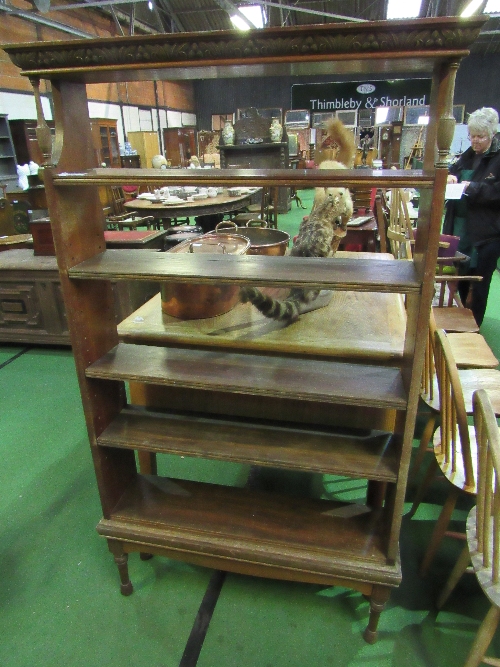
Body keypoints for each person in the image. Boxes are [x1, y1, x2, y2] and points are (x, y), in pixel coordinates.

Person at [443, 106, 500, 325]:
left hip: (487, 233)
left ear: (492, 134)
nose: (474, 141)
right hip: (462, 228)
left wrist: (473, 188)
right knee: (461, 276)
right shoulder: (468, 155)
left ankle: (474, 326)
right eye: (472, 136)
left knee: (480, 283)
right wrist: (451, 177)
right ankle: (459, 322)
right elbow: (454, 170)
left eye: (480, 137)